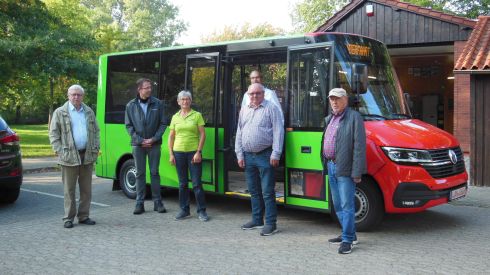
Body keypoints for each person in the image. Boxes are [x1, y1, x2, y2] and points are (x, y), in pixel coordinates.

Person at [321, 88, 366, 254]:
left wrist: (357, 172)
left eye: (337, 99)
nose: (334, 102)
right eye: (332, 99)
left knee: (347, 205)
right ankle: (349, 234)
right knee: (338, 204)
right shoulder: (329, 119)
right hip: (331, 166)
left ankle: (347, 239)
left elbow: (359, 147)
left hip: (345, 168)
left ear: (345, 100)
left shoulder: (354, 118)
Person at [235, 83, 284, 236]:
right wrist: (239, 154)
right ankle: (257, 220)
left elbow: (278, 131)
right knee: (254, 191)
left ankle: (271, 223)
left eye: (258, 93)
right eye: (252, 94)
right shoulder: (244, 109)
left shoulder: (271, 108)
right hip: (248, 156)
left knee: (267, 192)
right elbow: (239, 132)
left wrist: (276, 154)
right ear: (248, 95)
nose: (255, 96)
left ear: (263, 94)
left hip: (265, 155)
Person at [49, 84, 100, 229]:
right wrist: (60, 150)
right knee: (69, 190)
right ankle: (68, 218)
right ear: (68, 95)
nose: (76, 97)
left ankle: (84, 216)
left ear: (83, 96)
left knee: (86, 189)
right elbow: (53, 134)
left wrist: (96, 148)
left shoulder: (89, 111)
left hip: (87, 155)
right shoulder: (60, 112)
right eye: (73, 94)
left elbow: (96, 131)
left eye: (79, 94)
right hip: (69, 157)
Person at [125, 78, 167, 215]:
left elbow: (163, 123)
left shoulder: (158, 104)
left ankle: (157, 202)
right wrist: (141, 140)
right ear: (139, 89)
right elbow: (129, 126)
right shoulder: (130, 105)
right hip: (138, 145)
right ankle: (139, 204)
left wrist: (154, 139)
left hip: (154, 144)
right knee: (140, 174)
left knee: (154, 173)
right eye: (146, 87)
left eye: (150, 87)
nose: (149, 89)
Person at [168, 91, 209, 222]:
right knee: (182, 184)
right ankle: (184, 210)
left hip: (193, 153)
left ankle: (202, 211)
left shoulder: (197, 115)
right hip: (178, 153)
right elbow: (171, 136)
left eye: (187, 99)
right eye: (182, 99)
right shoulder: (175, 117)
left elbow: (203, 134)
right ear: (178, 102)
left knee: (197, 184)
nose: (185, 101)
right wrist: (171, 154)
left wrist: (198, 151)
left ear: (190, 101)